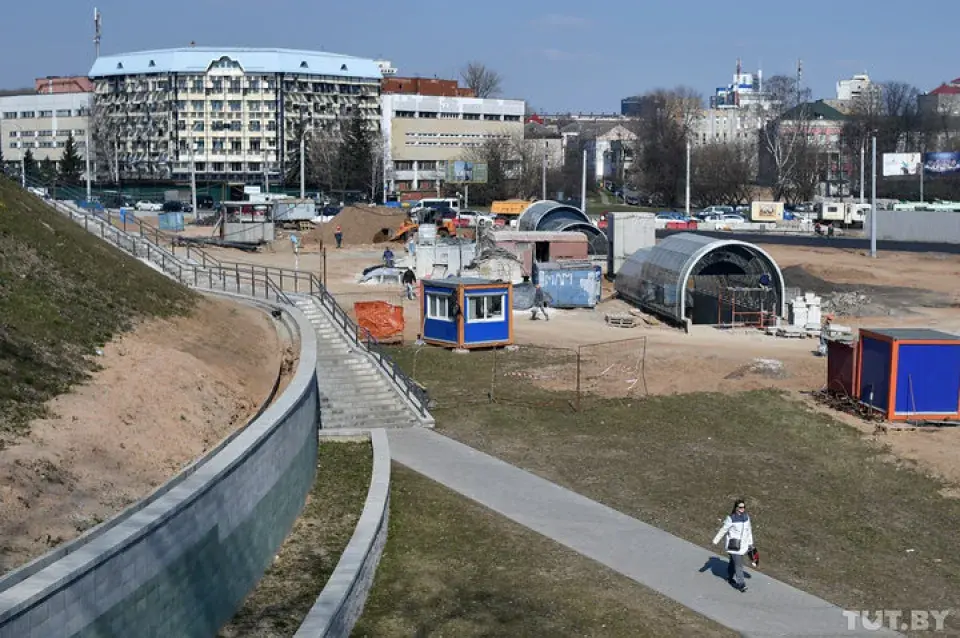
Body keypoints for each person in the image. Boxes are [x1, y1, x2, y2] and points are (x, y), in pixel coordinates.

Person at [712, 499, 755, 592]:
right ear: (736, 508)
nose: (742, 509)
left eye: (744, 507)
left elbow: (749, 531)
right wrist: (716, 540)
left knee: (733, 562)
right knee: (738, 565)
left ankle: (729, 576)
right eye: (740, 507)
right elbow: (723, 530)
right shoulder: (731, 518)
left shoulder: (746, 517)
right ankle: (741, 584)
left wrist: (750, 543)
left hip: (743, 545)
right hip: (734, 546)